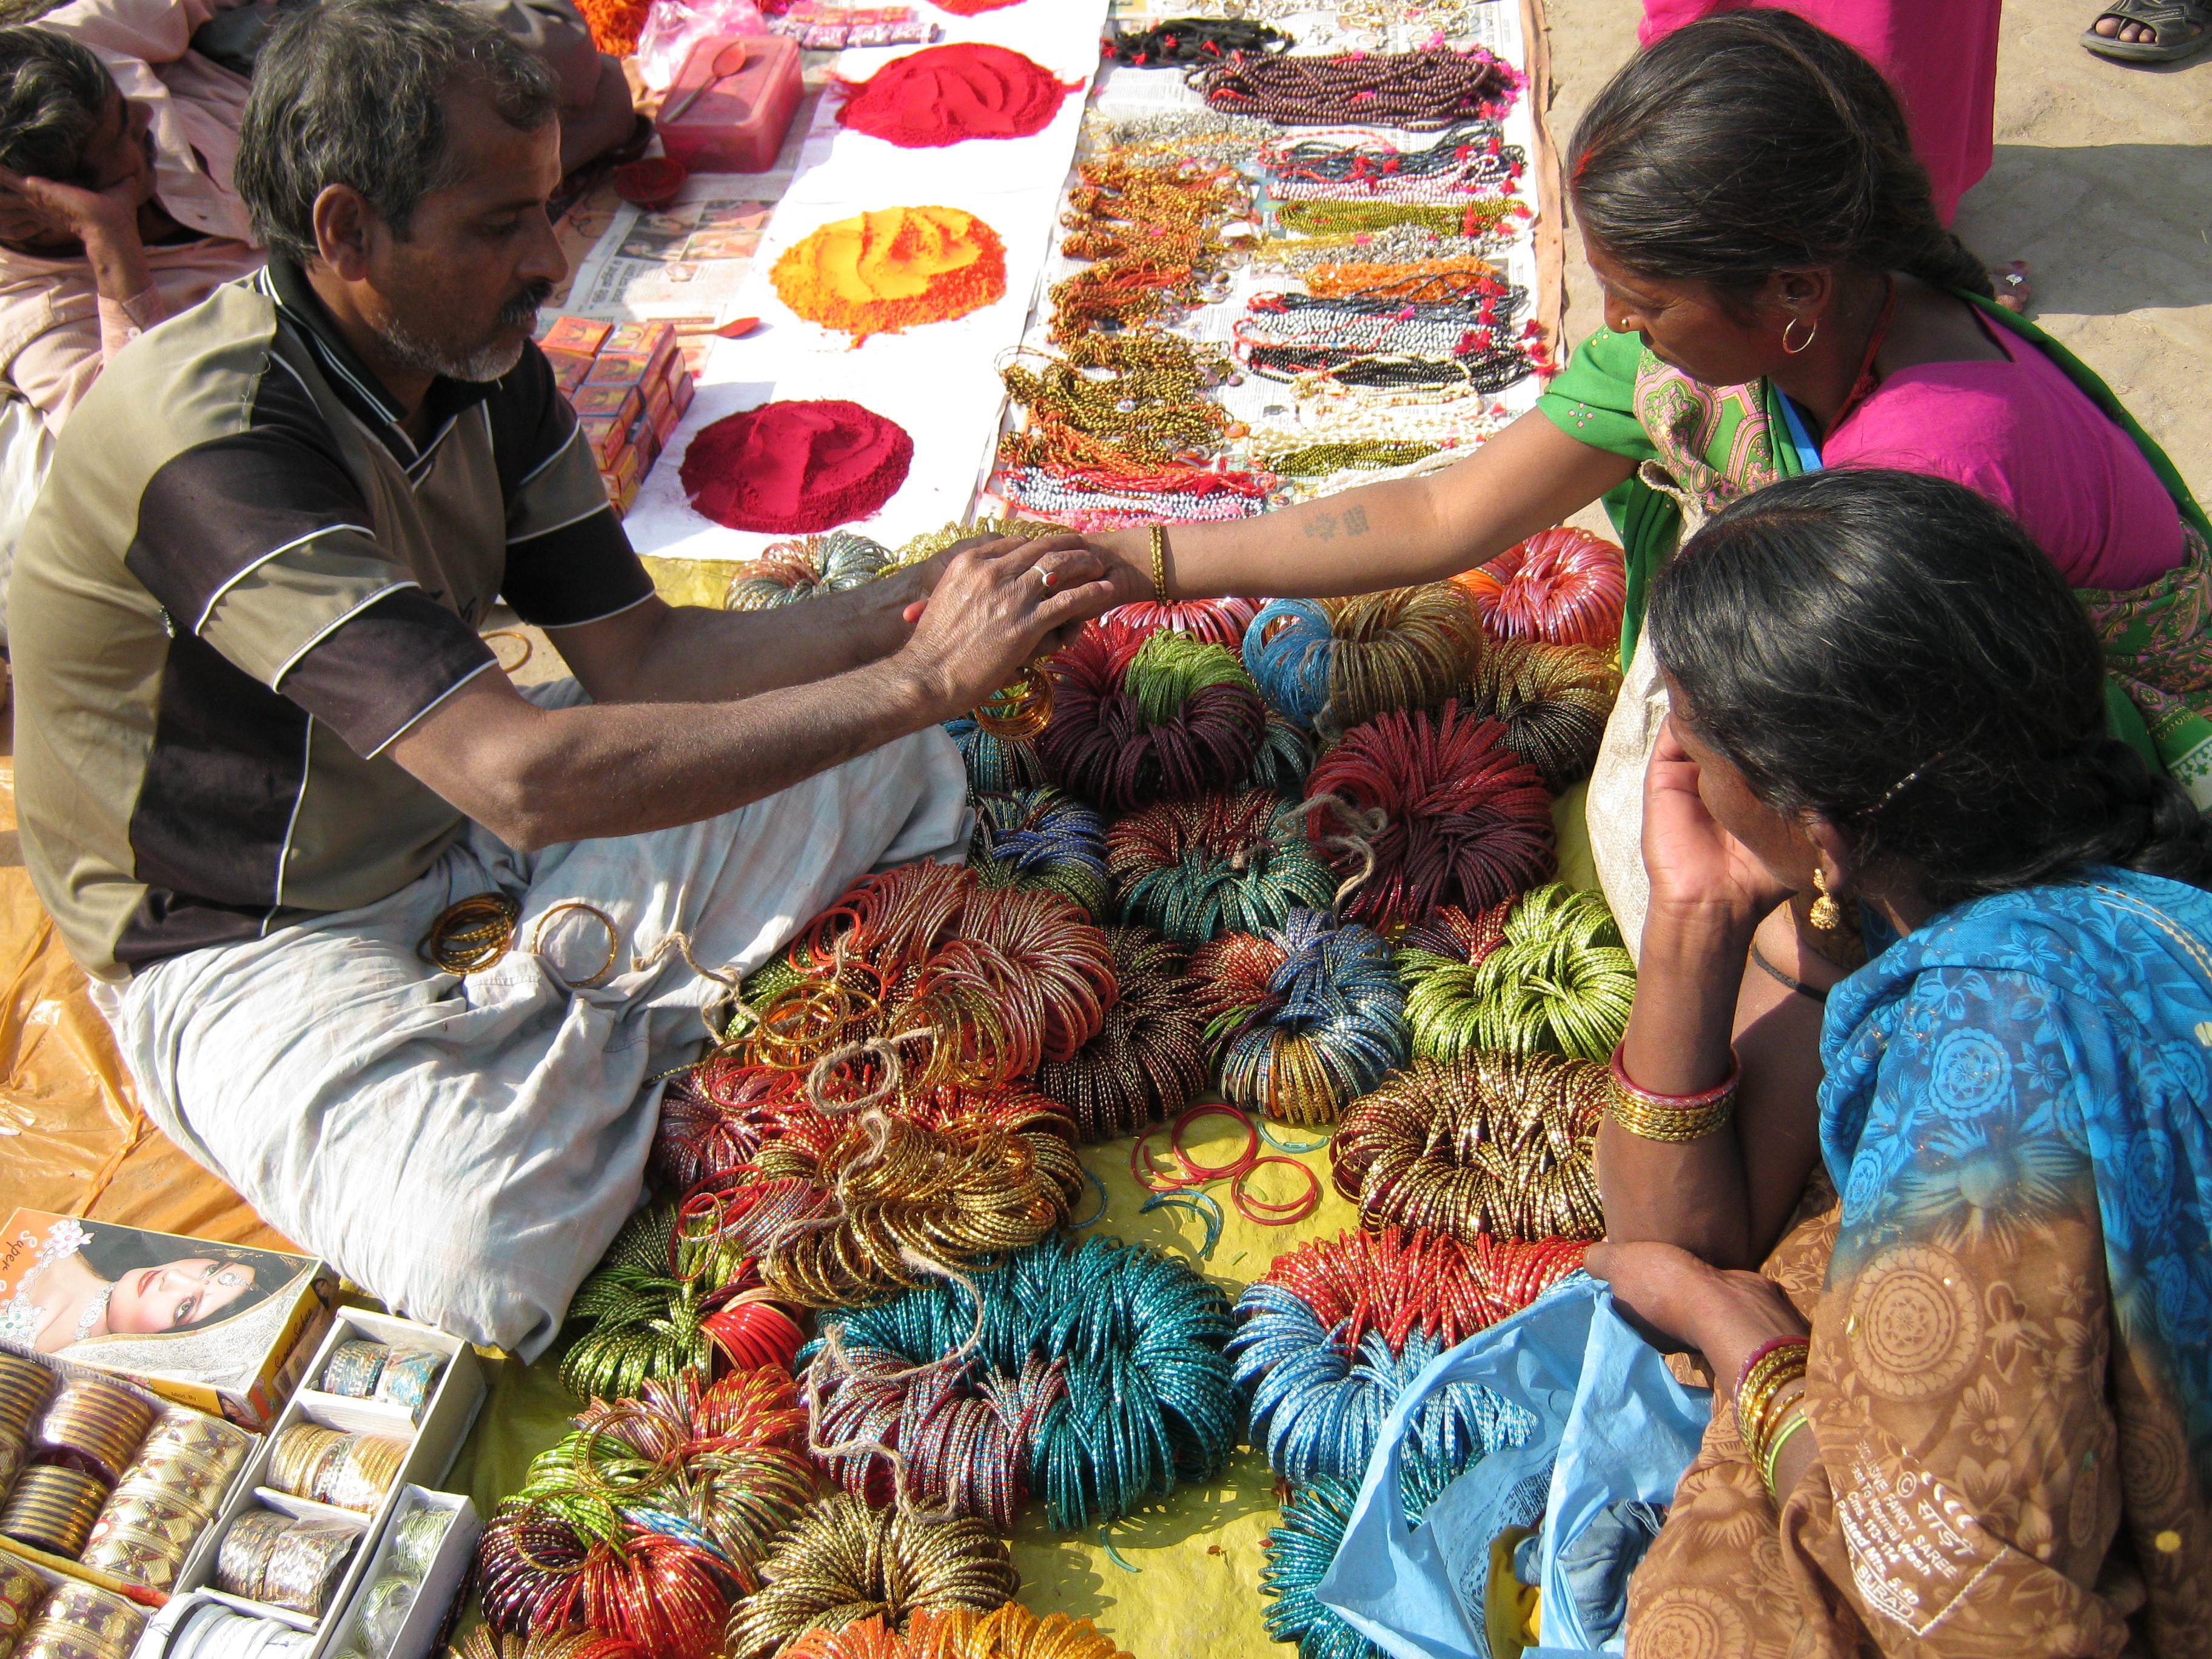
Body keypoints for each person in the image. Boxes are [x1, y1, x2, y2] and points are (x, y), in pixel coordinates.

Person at [7, 0, 1115, 1355]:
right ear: (346, 231)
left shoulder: (474, 362)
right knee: (482, 1246)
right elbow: (524, 781)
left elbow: (649, 658)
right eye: (496, 227)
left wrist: (910, 613)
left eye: (543, 209)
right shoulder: (217, 448)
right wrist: (919, 678)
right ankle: (592, 1017)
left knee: (882, 760)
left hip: (454, 809)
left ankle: (567, 1025)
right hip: (249, 929)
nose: (547, 258)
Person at [1068, 8, 2210, 1267]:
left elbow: (1877, 812)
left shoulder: (1930, 482)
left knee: (1738, 1143)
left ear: (1792, 294)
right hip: (1865, 735)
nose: (1617, 325)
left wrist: (1764, 930)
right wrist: (1146, 560)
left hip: (2034, 771)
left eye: (1646, 299)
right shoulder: (1749, 359)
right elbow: (1449, 510)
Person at [1577, 468, 2212, 1650]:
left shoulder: (1986, 1073)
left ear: (1819, 829)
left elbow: (1960, 1602)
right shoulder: (2013, 860)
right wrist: (1698, 917)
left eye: (1694, 742)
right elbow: (1691, 1234)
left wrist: (1750, 1355)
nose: (1677, 765)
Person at [0, 25, 260, 431]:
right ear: (46, 212)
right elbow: (136, 434)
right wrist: (114, 248)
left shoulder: (74, 40)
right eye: (125, 130)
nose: (147, 115)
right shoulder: (43, 320)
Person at [0, 1216, 274, 1350]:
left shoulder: (51, 1369)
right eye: (210, 1270)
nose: (174, 1278)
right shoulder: (70, 1235)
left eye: (185, 1307)